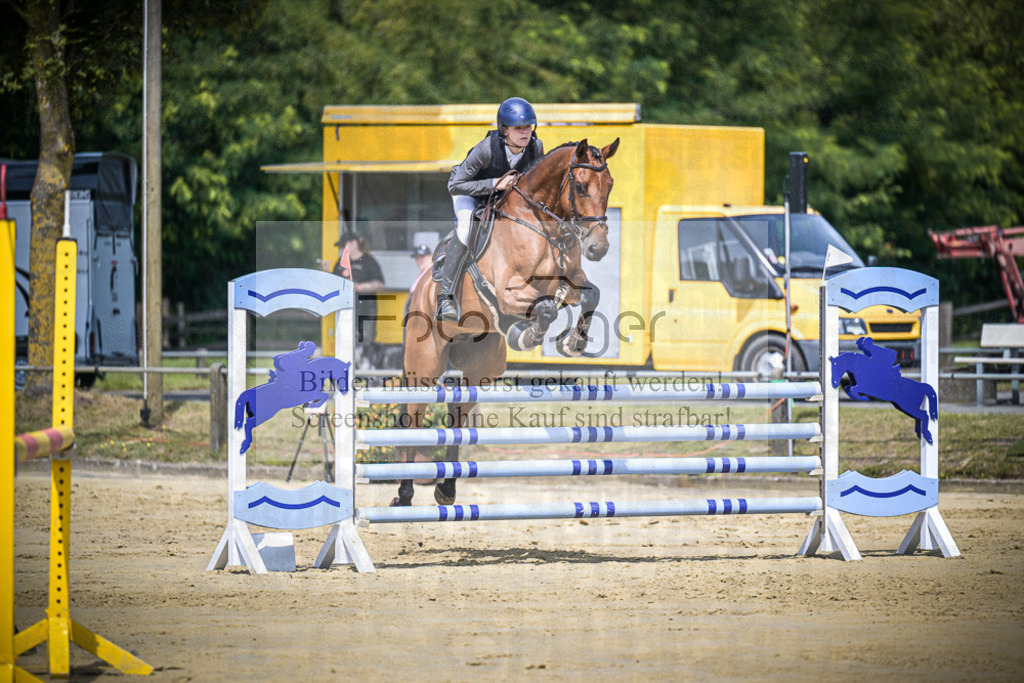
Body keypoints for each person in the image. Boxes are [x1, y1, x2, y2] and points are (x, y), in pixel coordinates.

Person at [436, 96, 545, 321]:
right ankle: (445, 298)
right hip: (468, 191)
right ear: (505, 130)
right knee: (466, 229)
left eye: (529, 127)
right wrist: (494, 183)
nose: (526, 132)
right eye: (519, 128)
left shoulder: (535, 147)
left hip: (500, 197)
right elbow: (455, 185)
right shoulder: (486, 149)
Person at [331, 232, 385, 368]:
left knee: (365, 344)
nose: (342, 250)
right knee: (345, 343)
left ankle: (366, 376)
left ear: (353, 243)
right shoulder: (340, 263)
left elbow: (380, 284)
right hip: (345, 312)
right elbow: (332, 283)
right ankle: (347, 374)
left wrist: (360, 287)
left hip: (365, 311)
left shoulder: (369, 261)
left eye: (344, 246)